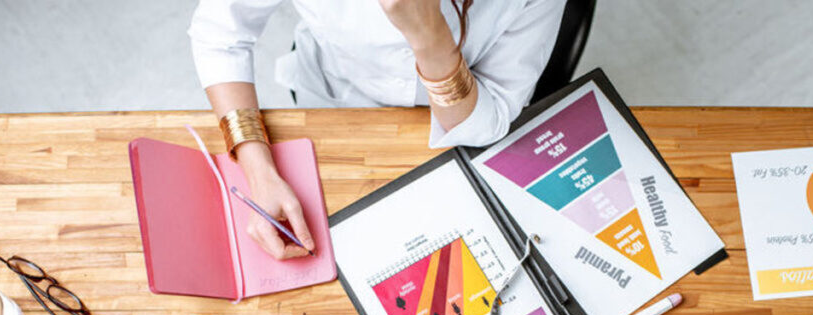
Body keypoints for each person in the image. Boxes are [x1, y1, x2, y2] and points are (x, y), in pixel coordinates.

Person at [190, 0, 565, 259]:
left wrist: (431, 38)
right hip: (333, 97)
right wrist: (259, 171)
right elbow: (220, 34)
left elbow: (491, 116)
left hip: (459, 117)